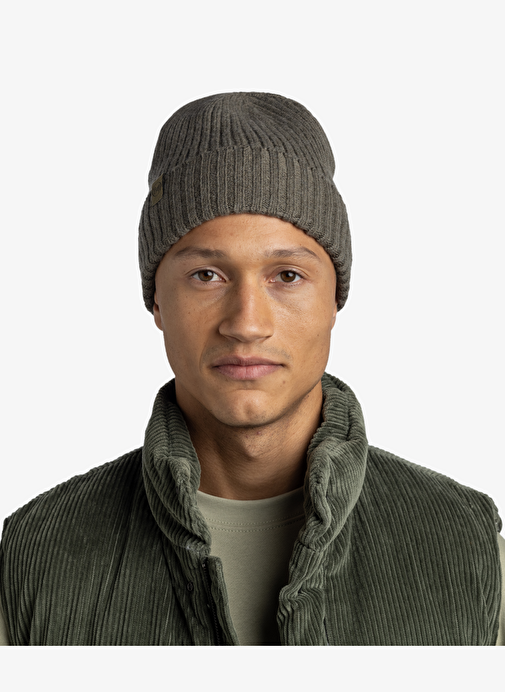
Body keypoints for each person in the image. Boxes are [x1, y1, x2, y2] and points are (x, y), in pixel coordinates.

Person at [0, 92, 503, 646]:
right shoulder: (33, 559)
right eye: (206, 276)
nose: (246, 324)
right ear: (156, 301)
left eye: (287, 276)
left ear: (335, 298)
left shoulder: (470, 549)